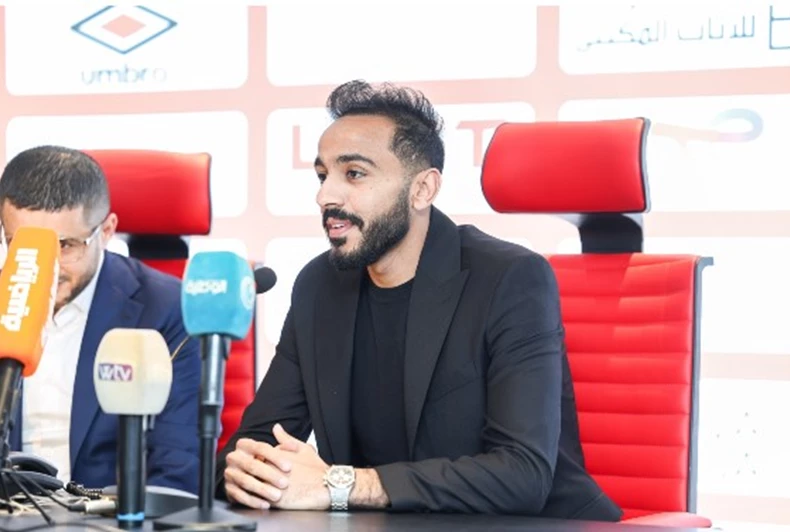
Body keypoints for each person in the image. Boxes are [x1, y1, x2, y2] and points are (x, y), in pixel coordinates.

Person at [217, 80, 622, 520]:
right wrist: (246, 473)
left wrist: (342, 484)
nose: (325, 196)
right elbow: (255, 443)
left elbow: (521, 474)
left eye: (354, 174)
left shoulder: (510, 278)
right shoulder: (319, 285)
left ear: (423, 189)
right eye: (322, 175)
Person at [0, 146, 201, 493]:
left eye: (65, 245)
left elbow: (174, 471)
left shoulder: (167, 309)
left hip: (105, 515)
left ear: (107, 230)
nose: (48, 267)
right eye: (24, 245)